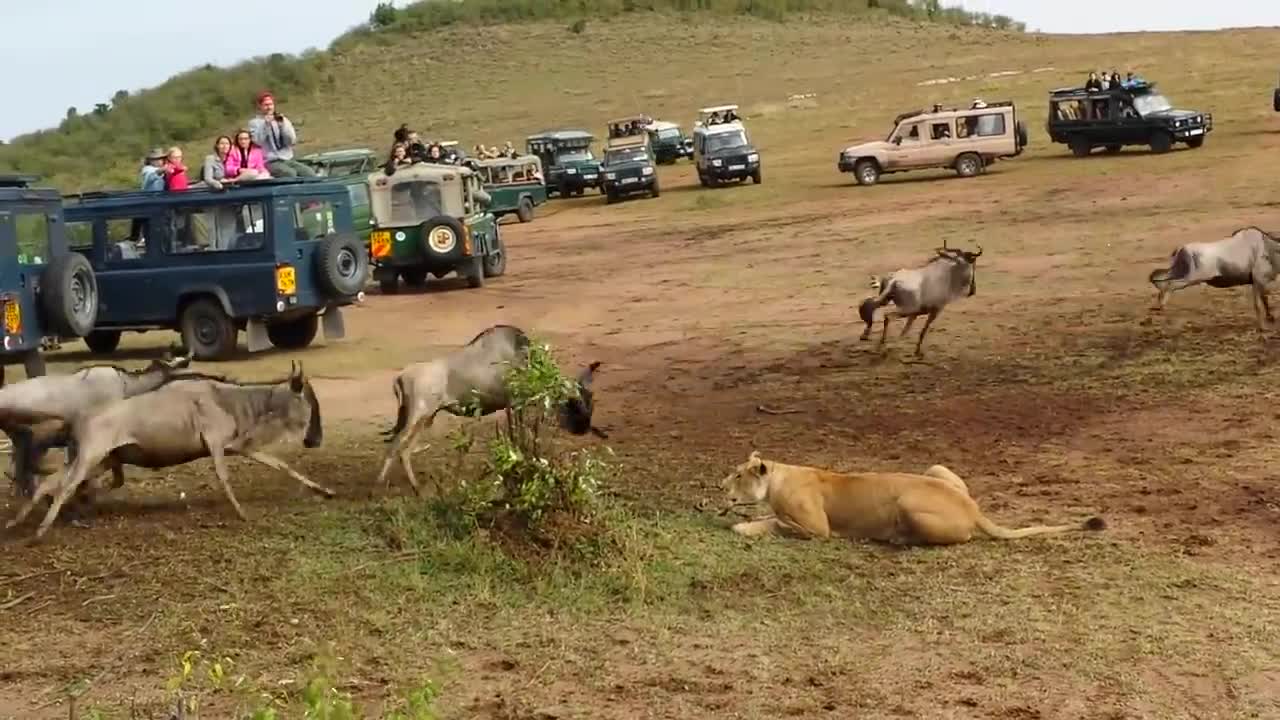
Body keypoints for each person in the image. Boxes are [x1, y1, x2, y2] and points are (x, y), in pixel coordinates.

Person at [248, 91, 315, 178]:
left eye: (271, 104)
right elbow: (258, 142)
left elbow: (292, 141)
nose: (269, 107)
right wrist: (266, 125)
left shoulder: (282, 119)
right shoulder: (254, 123)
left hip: (286, 158)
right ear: (260, 106)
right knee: (289, 174)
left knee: (309, 173)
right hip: (269, 161)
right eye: (266, 105)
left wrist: (283, 126)